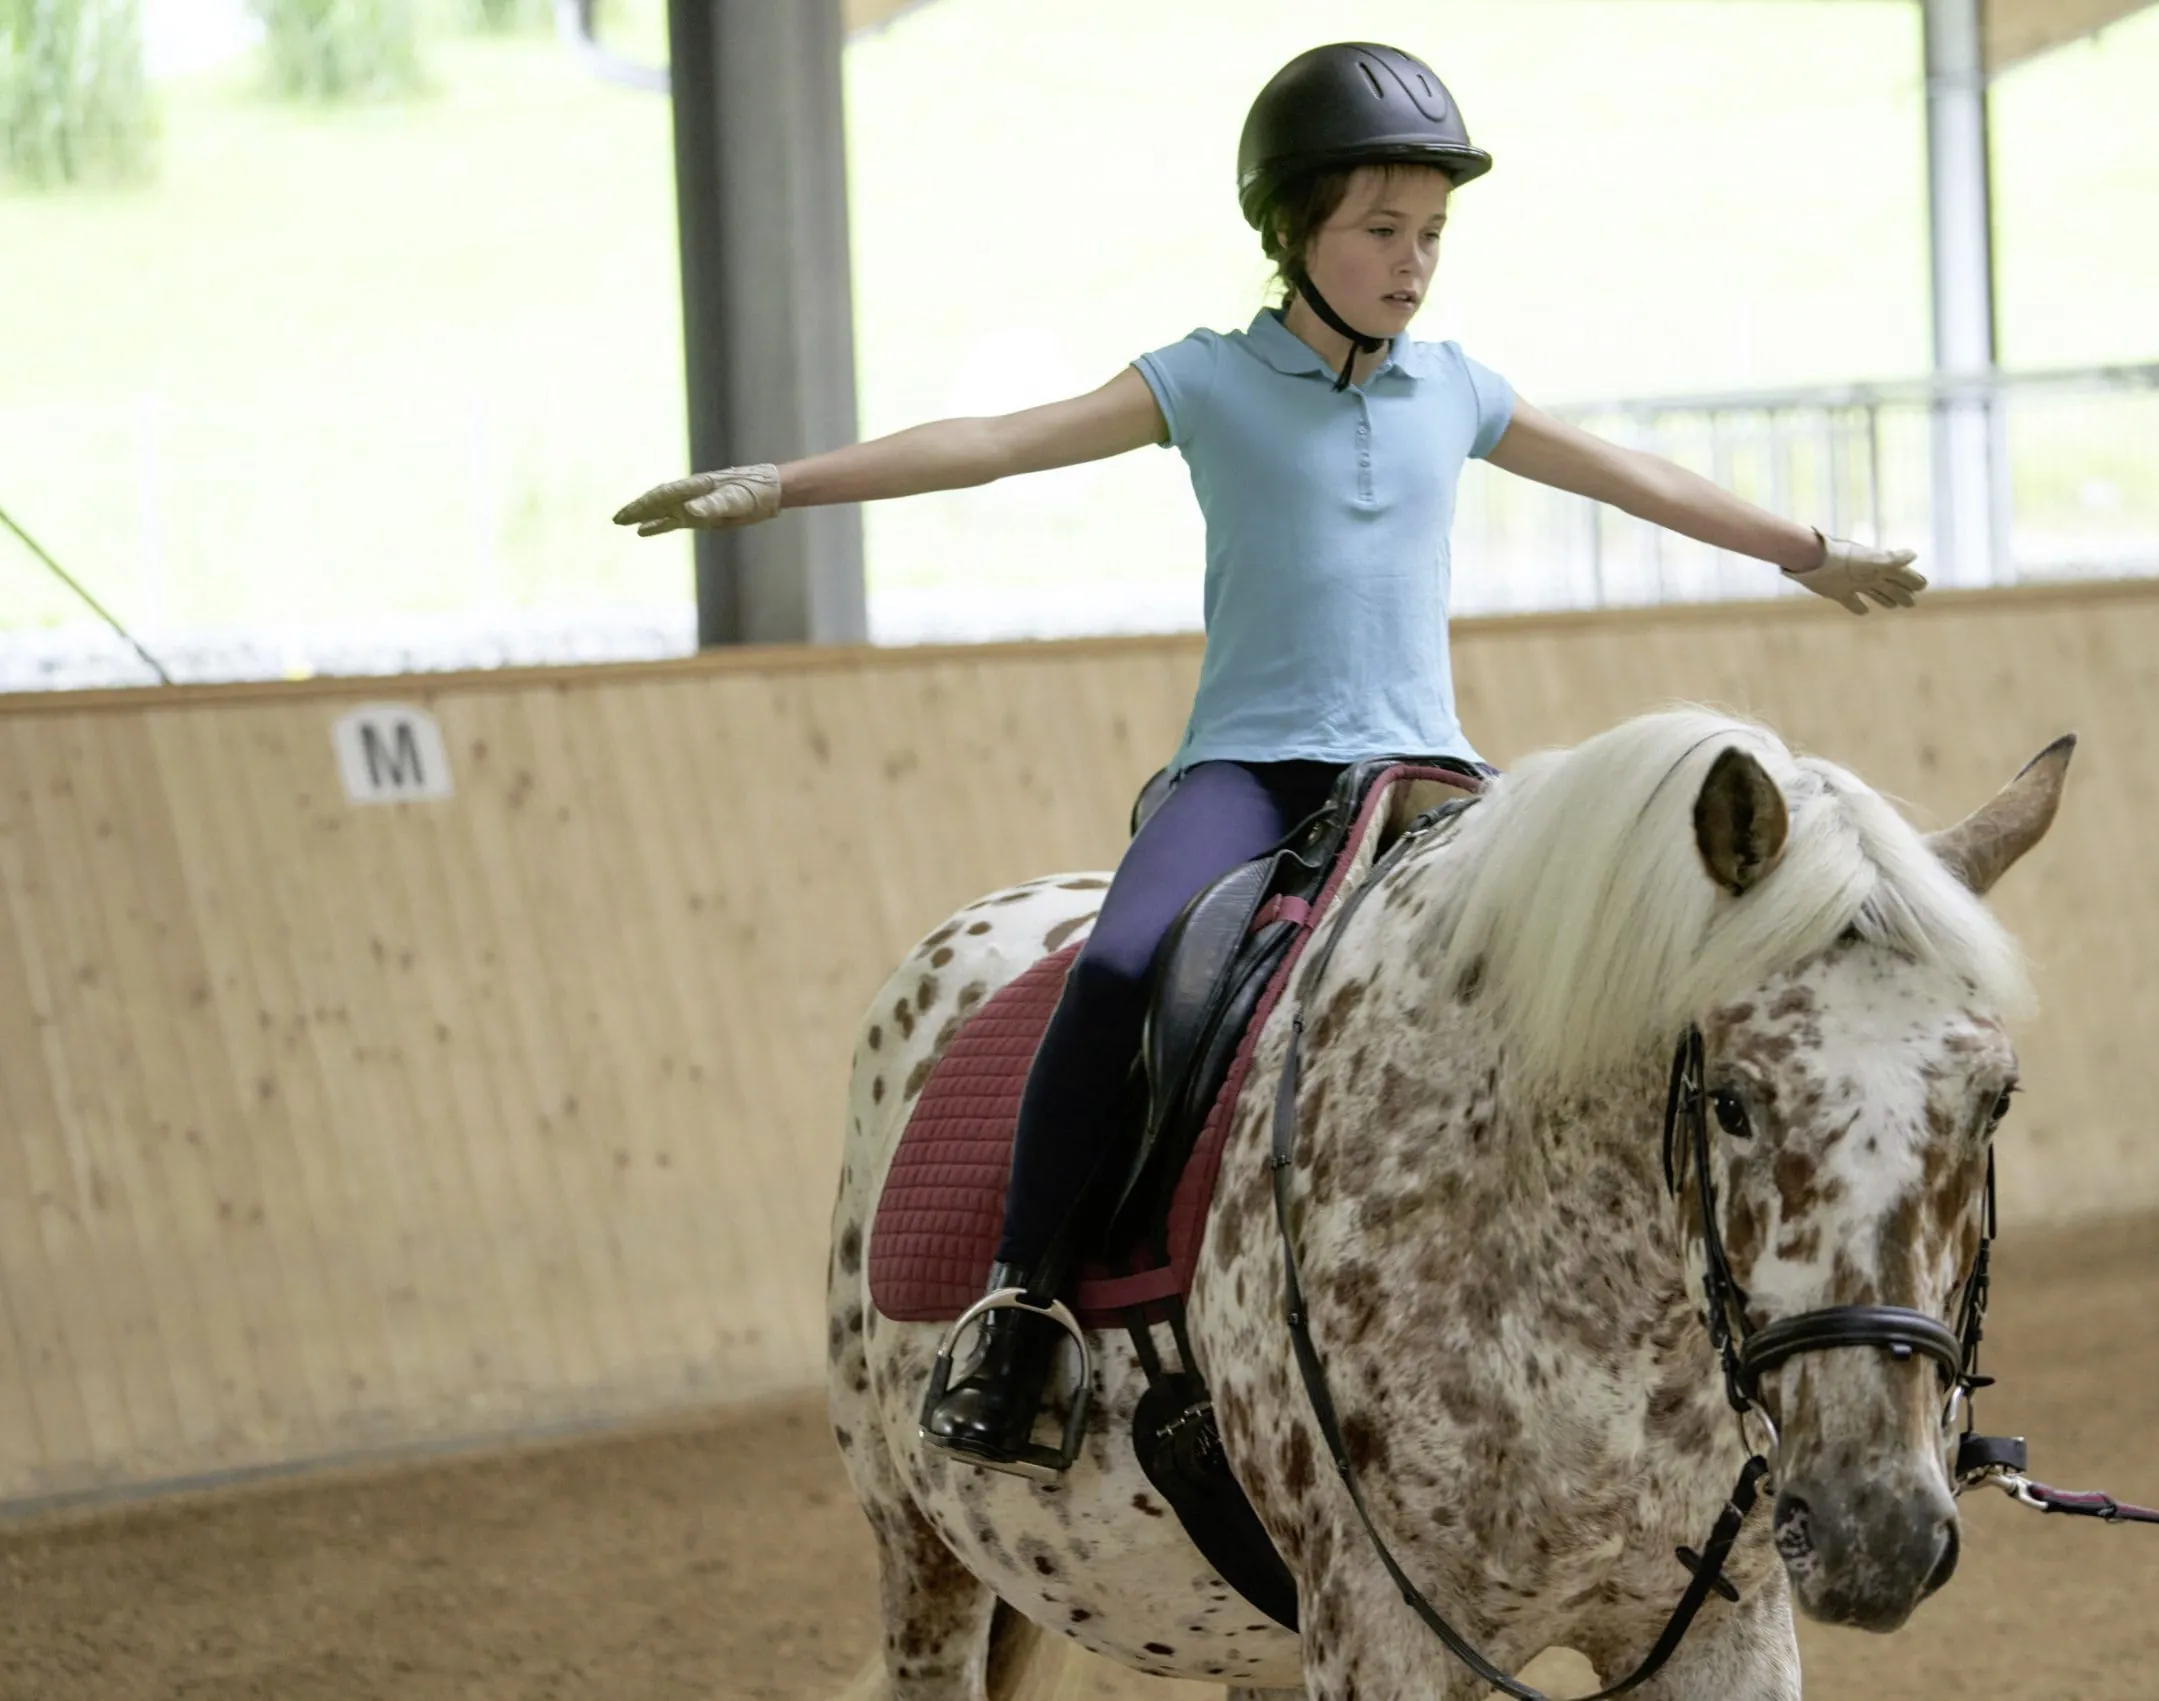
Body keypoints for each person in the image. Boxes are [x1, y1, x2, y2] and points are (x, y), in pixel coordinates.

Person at [613, 41, 1926, 1473]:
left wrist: (1807, 552)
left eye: (1429, 235)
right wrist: (788, 485)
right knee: (1117, 972)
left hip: (1431, 777)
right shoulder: (1205, 381)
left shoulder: (1456, 391)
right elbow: (999, 441)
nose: (1412, 263)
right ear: (1289, 234)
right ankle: (1022, 1306)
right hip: (1250, 772)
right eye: (1378, 232)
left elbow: (1638, 478)